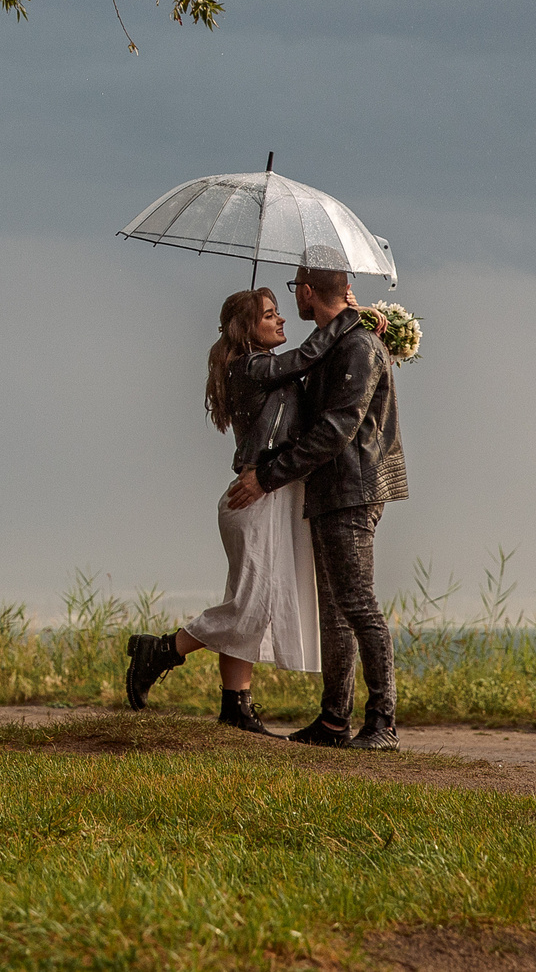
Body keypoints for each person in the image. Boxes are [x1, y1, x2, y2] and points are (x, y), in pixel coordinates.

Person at [123, 287, 332, 730]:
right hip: (253, 500)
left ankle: (235, 705)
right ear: (247, 329)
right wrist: (347, 322)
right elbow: (302, 359)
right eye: (270, 316)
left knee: (250, 601)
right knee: (250, 606)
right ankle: (161, 650)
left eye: (279, 314)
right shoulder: (250, 367)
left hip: (271, 496)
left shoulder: (262, 369)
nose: (281, 321)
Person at [250, 256, 409, 750]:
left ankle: (383, 724)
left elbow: (338, 428)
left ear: (307, 292)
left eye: (295, 286)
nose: (293, 294)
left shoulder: (359, 345)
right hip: (330, 490)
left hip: (352, 490)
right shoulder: (340, 342)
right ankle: (334, 722)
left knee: (359, 604)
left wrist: (270, 475)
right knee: (337, 609)